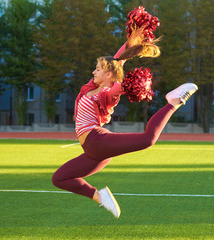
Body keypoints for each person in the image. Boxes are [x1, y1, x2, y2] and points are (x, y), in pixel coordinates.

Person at [51, 27, 198, 218]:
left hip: (97, 141)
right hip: (92, 151)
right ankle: (99, 196)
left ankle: (173, 102)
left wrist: (134, 84)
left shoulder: (109, 93)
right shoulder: (90, 87)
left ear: (109, 76)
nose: (93, 71)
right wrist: (133, 40)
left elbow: (121, 81)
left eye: (98, 69)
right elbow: (118, 59)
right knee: (59, 178)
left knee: (148, 140)